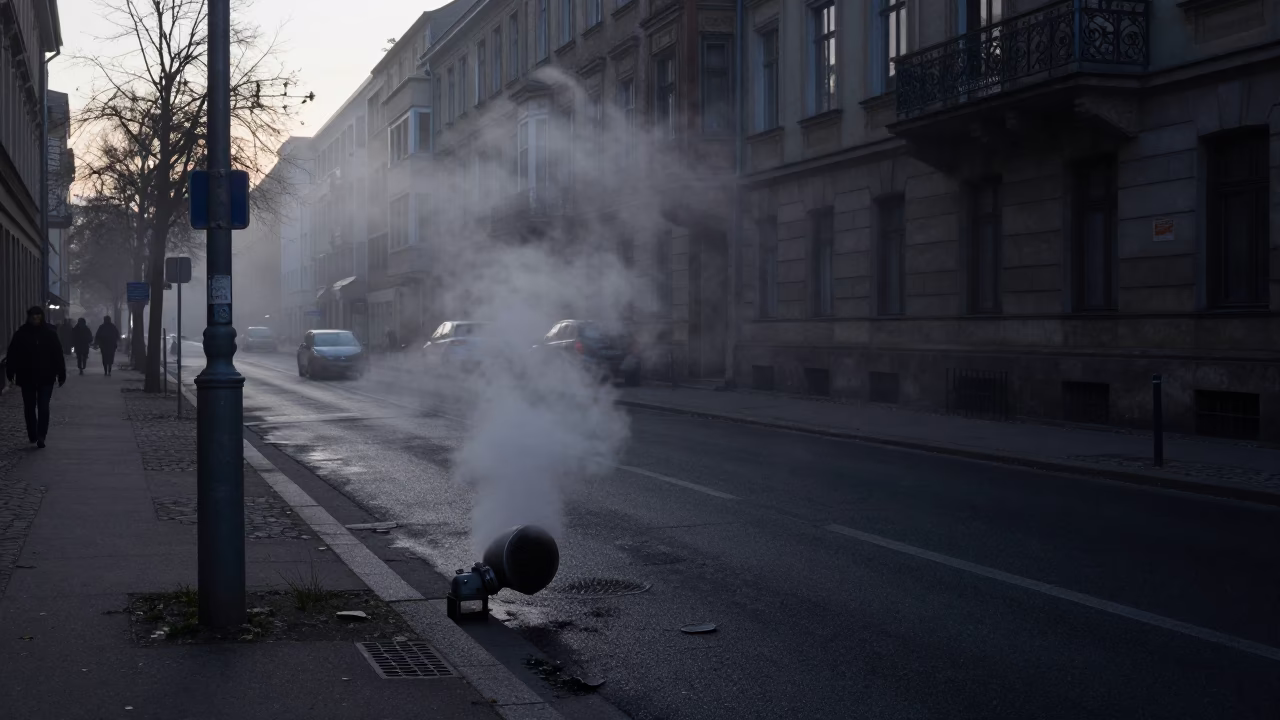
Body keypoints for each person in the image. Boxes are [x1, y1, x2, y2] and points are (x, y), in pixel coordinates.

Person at [5, 307, 67, 448]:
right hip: (27, 376)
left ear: (42, 316)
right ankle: (32, 433)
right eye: (33, 315)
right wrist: (10, 371)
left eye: (38, 315)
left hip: (46, 376)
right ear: (29, 317)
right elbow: (13, 353)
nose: (35, 318)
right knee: (29, 407)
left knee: (43, 407)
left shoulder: (50, 334)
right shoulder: (21, 334)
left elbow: (58, 354)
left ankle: (41, 436)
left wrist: (61, 373)